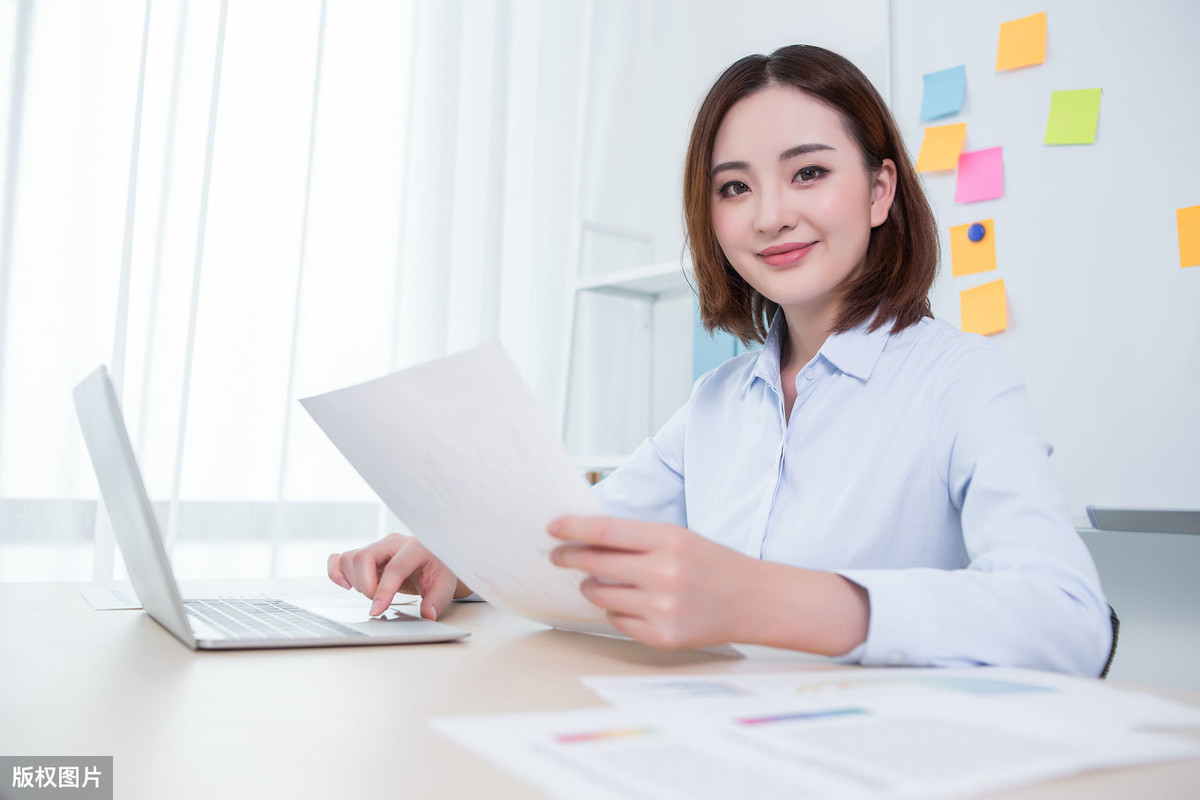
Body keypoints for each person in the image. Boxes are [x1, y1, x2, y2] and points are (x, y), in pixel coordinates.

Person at [328, 44, 1112, 676]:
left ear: (879, 193)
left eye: (809, 172)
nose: (772, 215)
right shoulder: (716, 401)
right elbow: (582, 541)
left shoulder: (964, 381)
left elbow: (1070, 617)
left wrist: (770, 601)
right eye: (734, 188)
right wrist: (458, 554)